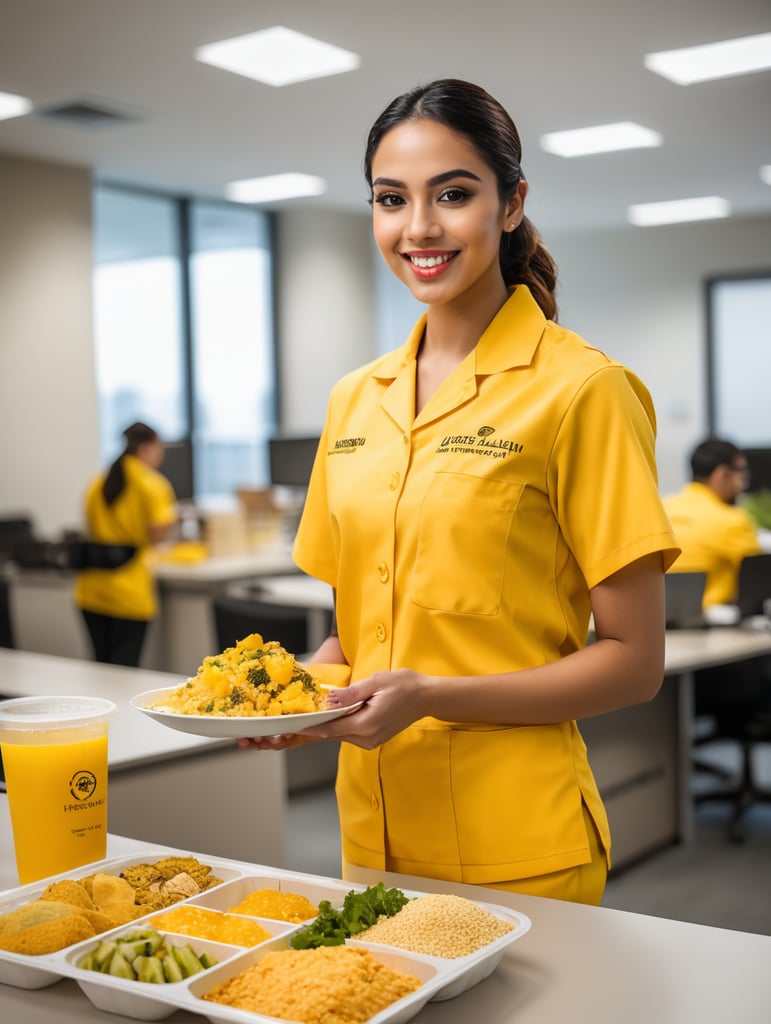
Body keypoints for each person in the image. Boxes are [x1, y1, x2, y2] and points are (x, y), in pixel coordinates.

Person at [238, 79, 679, 905]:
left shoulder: (583, 390)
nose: (419, 228)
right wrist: (287, 698)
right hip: (371, 831)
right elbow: (357, 639)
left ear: (510, 204)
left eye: (453, 194)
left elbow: (634, 663)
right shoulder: (353, 400)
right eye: (390, 199)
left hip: (517, 842)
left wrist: (431, 696)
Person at [74, 422, 177, 667]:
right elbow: (158, 533)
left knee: (102, 667)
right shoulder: (152, 483)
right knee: (125, 669)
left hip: (91, 588)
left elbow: (88, 524)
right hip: (128, 589)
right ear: (146, 448)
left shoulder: (98, 481)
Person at [662, 438, 763, 608]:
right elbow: (759, 579)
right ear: (723, 474)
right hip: (711, 623)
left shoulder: (663, 508)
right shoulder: (732, 519)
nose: (742, 484)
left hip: (659, 620)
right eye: (742, 475)